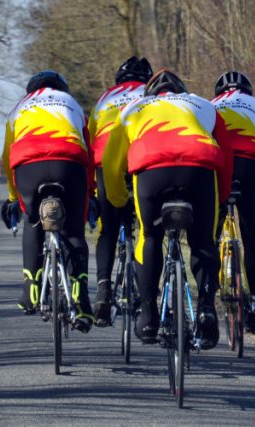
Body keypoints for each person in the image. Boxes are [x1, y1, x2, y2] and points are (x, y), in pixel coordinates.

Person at [102, 69, 234, 349]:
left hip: (151, 173)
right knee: (203, 242)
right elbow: (227, 155)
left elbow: (111, 163)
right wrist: (220, 200)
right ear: (182, 92)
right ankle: (207, 309)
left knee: (150, 237)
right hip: (199, 170)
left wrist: (117, 200)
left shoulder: (132, 108)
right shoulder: (204, 106)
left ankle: (148, 316)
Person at [0, 70, 96, 333]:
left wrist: (12, 197)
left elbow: (7, 156)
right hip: (69, 163)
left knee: (32, 221)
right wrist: (90, 192)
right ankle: (81, 297)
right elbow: (89, 152)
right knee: (74, 231)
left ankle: (30, 288)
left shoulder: (19, 108)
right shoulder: (72, 104)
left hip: (29, 167)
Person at [87, 56, 153, 326]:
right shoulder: (151, 95)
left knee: (108, 229)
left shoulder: (104, 99)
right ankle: (147, 293)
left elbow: (90, 140)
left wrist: (92, 188)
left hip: (106, 161)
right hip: (140, 160)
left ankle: (103, 291)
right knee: (148, 230)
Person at [211, 71, 255, 334]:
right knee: (253, 237)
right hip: (251, 165)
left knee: (208, 235)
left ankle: (208, 296)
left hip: (220, 163)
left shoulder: (210, 105)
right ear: (247, 91)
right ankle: (254, 303)